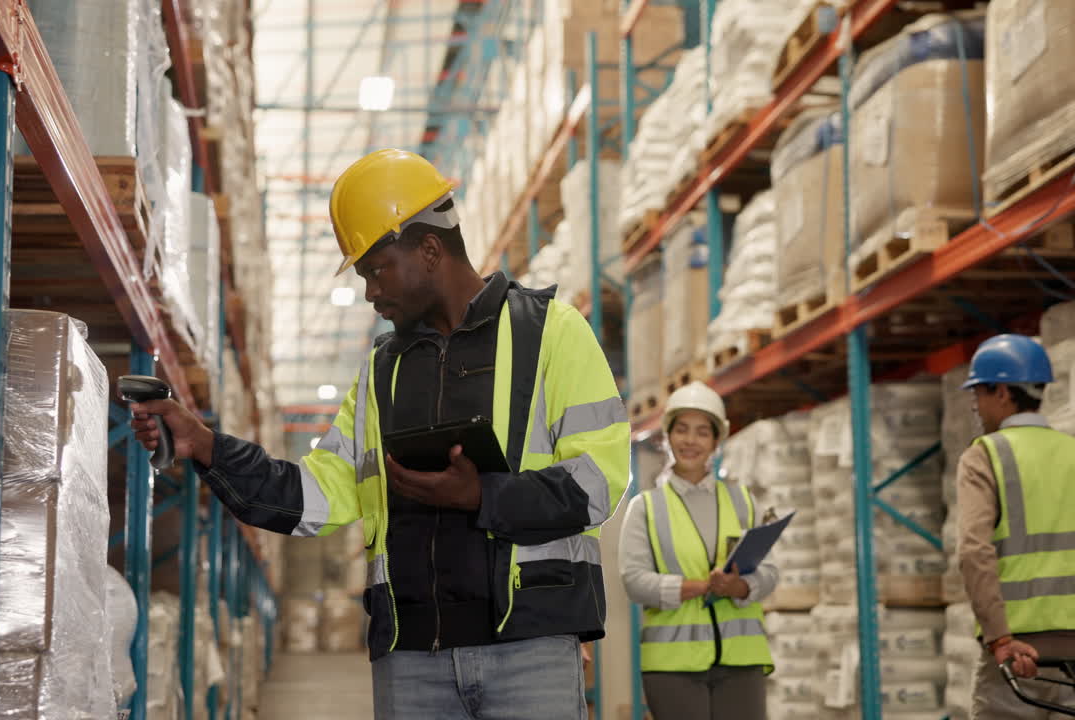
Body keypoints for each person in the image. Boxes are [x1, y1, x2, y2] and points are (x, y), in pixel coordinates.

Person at [129, 149, 630, 720]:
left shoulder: (553, 334)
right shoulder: (381, 371)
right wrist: (207, 446)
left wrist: (481, 495)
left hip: (530, 651)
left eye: (375, 269)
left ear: (429, 249)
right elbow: (318, 493)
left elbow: (598, 484)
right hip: (411, 659)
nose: (370, 292)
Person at [617, 382, 776, 720]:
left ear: (717, 441)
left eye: (703, 432)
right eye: (683, 430)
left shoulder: (744, 501)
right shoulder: (645, 507)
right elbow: (634, 581)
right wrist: (698, 587)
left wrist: (741, 587)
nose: (691, 441)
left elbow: (770, 571)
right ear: (668, 437)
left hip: (741, 661)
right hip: (673, 669)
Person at [956, 334, 1075, 719]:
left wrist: (1000, 637)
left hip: (1019, 651)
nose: (976, 407)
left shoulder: (985, 455)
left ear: (1002, 392)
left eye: (978, 394)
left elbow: (974, 551)